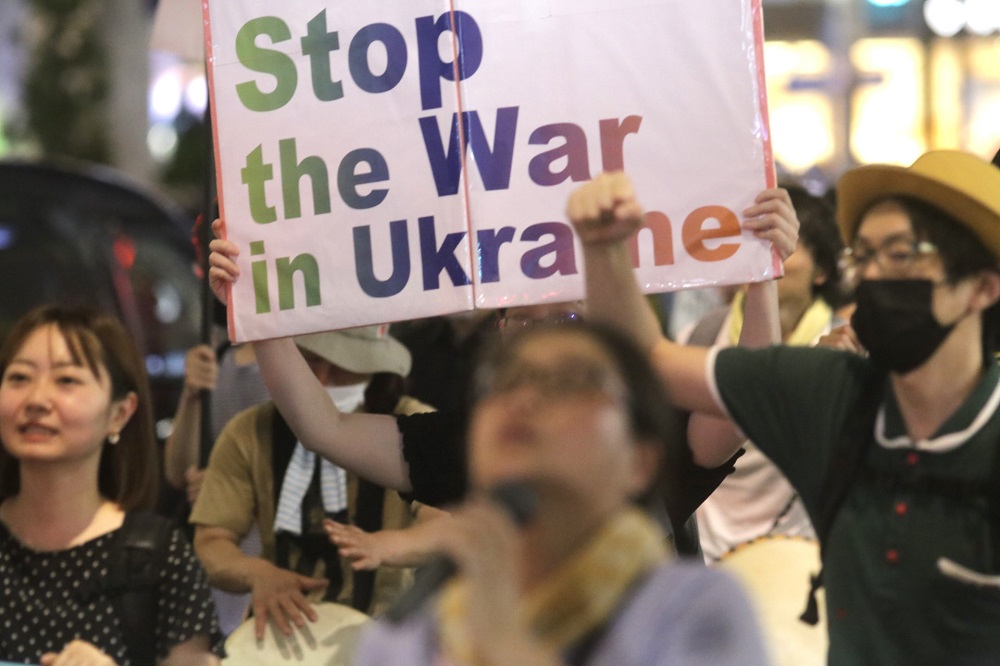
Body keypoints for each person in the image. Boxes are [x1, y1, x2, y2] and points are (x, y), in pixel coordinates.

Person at [568, 153, 1000, 664]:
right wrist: (603, 249)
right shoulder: (831, 394)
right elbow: (652, 359)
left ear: (981, 287)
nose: (875, 276)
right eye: (864, 256)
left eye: (903, 255)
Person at [205, 195, 797, 551]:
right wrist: (257, 311)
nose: (543, 338)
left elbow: (743, 400)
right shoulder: (474, 444)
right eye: (521, 320)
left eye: (566, 315)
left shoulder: (656, 433)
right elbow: (325, 428)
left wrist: (762, 274)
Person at [354, 320, 770, 665]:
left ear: (639, 461)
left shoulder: (697, 612)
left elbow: (748, 393)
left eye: (567, 384)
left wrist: (505, 643)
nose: (524, 399)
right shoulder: (408, 634)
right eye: (505, 382)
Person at [0, 305, 223, 665]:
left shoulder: (159, 557)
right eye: (19, 378)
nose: (36, 400)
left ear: (120, 413)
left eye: (66, 380)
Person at [189, 327, 433, 642]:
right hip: (280, 631)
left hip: (385, 631)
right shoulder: (251, 430)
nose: (320, 376)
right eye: (308, 361)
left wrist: (387, 546)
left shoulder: (414, 424)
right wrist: (257, 573)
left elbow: (446, 523)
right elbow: (211, 541)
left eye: (339, 364)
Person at [683, 184, 848, 561]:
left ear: (822, 269)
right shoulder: (702, 334)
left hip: (794, 554)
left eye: (796, 245)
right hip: (707, 551)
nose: (781, 253)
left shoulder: (845, 349)